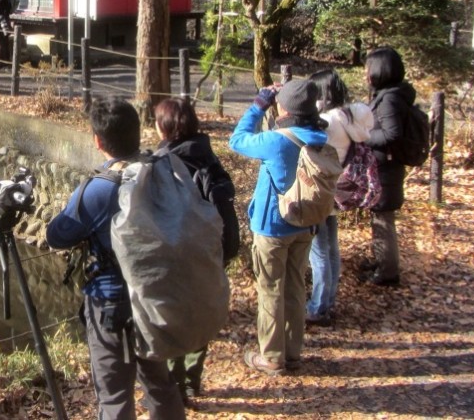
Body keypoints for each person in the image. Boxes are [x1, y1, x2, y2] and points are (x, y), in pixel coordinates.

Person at [47, 97, 185, 420]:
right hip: (154, 293)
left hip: (111, 303)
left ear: (98, 141)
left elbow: (57, 234)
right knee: (159, 381)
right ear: (138, 133)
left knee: (114, 394)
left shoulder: (100, 189)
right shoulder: (159, 169)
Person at [228, 79, 328, 375]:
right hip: (306, 222)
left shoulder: (276, 141)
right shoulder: (319, 136)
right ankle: (293, 352)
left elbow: (237, 140)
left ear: (283, 107)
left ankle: (272, 356)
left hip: (273, 226)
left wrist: (259, 105)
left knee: (271, 289)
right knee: (296, 288)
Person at [154, 97, 237, 403]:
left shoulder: (161, 165)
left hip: (174, 255)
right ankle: (191, 380)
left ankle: (174, 383)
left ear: (165, 127)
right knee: (199, 316)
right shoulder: (209, 158)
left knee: (172, 318)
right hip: (209, 252)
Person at [305, 69, 374, 326]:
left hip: (321, 189)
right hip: (338, 189)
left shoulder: (327, 121)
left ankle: (318, 306)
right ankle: (328, 300)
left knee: (319, 252)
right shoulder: (348, 116)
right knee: (331, 249)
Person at [362, 46, 414, 286]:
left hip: (386, 170)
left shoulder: (390, 99)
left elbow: (392, 135)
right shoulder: (390, 94)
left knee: (383, 219)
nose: (365, 74)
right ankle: (381, 262)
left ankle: (388, 273)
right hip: (385, 168)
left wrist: (363, 135)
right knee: (380, 217)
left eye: (368, 69)